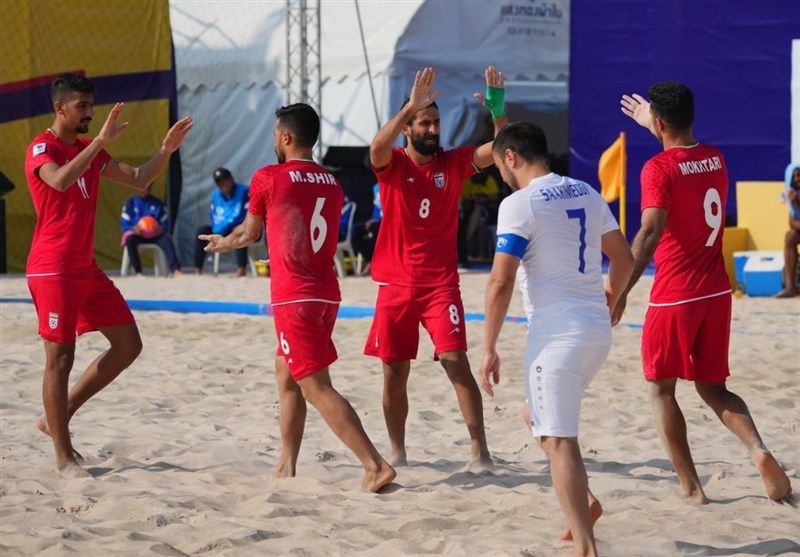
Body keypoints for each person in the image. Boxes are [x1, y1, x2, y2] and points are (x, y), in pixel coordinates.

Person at [199, 103, 396, 492]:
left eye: (275, 134)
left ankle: (374, 464)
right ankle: (286, 465)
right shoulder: (331, 182)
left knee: (316, 386)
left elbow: (249, 234)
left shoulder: (268, 177)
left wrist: (224, 243)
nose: (273, 139)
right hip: (326, 292)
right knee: (286, 375)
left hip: (296, 297)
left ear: (286, 137)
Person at [614, 82, 793, 503]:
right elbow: (684, 156)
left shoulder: (657, 169)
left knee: (661, 390)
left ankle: (692, 489)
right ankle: (758, 449)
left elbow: (651, 230)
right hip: (716, 290)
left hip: (675, 293)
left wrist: (620, 288)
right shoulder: (715, 158)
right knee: (714, 388)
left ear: (659, 122)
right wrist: (654, 125)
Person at [24, 73, 192, 475]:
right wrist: (99, 141)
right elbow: (60, 181)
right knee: (60, 359)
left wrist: (166, 150)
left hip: (84, 268)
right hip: (52, 267)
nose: (89, 113)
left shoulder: (87, 148)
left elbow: (139, 179)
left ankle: (56, 417)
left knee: (128, 344)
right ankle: (64, 457)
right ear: (59, 107)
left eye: (90, 106)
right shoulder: (42, 146)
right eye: (81, 106)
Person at [479, 122, 634, 556]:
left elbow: (499, 281)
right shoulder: (584, 190)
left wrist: (489, 347)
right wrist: (613, 298)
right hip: (594, 334)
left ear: (511, 157)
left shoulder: (518, 203)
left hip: (556, 337)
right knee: (538, 416)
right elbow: (623, 256)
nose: (500, 176)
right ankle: (584, 502)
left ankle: (586, 547)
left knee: (560, 440)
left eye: (499, 165)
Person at [364, 66, 507, 470]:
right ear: (408, 129)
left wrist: (497, 109)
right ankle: (398, 452)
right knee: (394, 373)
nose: (432, 128)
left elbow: (501, 149)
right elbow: (375, 147)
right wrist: (411, 104)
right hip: (394, 285)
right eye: (424, 123)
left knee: (455, 361)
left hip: (440, 286)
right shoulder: (392, 163)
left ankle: (480, 451)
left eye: (436, 122)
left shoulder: (455, 161)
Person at [194, 167, 250, 277]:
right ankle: (197, 269)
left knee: (238, 229)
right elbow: (213, 215)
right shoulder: (216, 194)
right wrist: (220, 226)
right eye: (219, 182)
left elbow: (248, 214)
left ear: (231, 179)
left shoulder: (244, 191)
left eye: (225, 180)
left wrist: (231, 223)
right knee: (201, 231)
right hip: (221, 226)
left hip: (238, 226)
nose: (222, 184)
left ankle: (241, 268)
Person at [120, 189, 182, 276]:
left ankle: (176, 270)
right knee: (130, 240)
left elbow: (165, 223)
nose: (145, 188)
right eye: (142, 185)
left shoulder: (157, 203)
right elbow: (124, 224)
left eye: (148, 185)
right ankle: (138, 272)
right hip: (138, 234)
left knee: (166, 241)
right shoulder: (130, 203)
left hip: (154, 235)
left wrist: (160, 229)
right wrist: (134, 228)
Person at [775, 164, 800, 298]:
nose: (797, 179)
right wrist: (794, 203)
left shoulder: (795, 198)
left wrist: (797, 203)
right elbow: (792, 222)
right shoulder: (793, 194)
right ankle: (791, 287)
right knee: (790, 236)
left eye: (799, 175)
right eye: (795, 176)